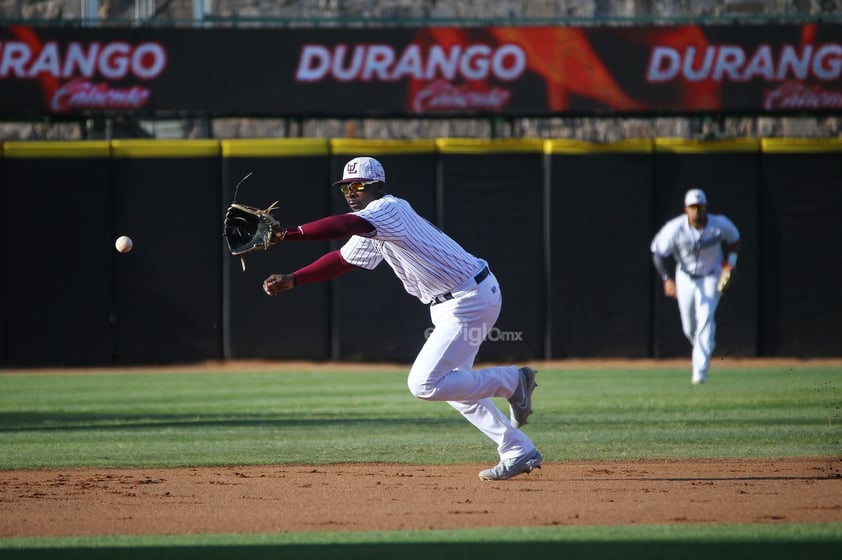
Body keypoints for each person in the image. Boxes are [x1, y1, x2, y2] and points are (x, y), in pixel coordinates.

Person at [261, 156, 542, 480]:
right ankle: (517, 449)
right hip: (459, 299)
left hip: (469, 299)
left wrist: (288, 235)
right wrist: (295, 278)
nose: (351, 192)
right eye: (345, 188)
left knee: (423, 383)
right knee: (454, 386)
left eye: (358, 186)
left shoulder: (387, 210)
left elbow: (343, 225)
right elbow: (342, 259)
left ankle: (512, 381)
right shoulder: (374, 227)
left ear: (378, 186)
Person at [650, 188, 741, 385]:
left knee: (706, 317)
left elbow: (735, 239)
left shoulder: (719, 224)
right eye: (693, 207)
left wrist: (730, 266)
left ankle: (699, 374)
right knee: (689, 327)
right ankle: (706, 344)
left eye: (700, 207)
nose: (697, 211)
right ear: (686, 209)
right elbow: (657, 252)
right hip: (685, 277)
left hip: (711, 275)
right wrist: (667, 278)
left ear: (706, 207)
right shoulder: (675, 228)